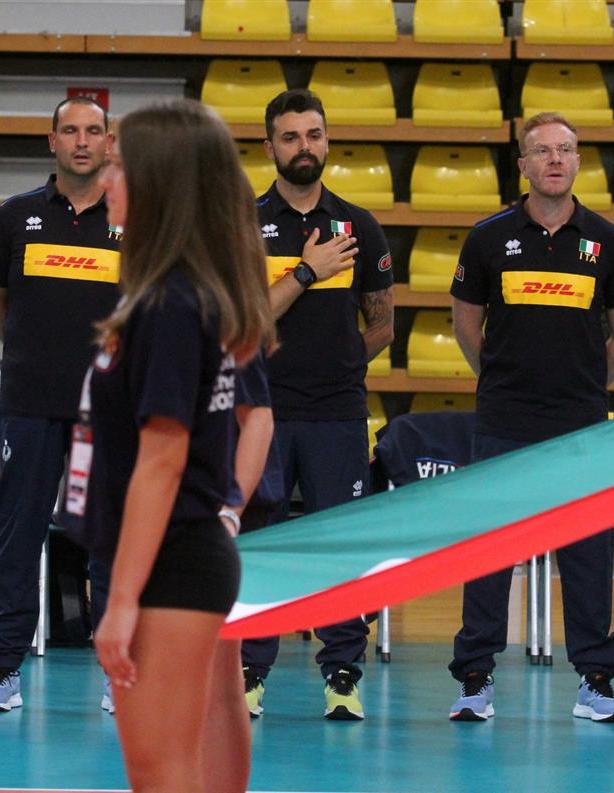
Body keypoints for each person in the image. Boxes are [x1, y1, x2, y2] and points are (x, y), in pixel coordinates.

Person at [77, 99, 274, 793]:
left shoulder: (167, 304)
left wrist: (121, 599)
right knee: (187, 759)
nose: (106, 181)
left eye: (119, 167)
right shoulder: (191, 294)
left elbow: (162, 460)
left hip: (168, 559)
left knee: (160, 774)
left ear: (160, 182)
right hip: (191, 552)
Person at [448, 112, 614, 723]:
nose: (555, 160)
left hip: (581, 424)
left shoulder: (607, 241)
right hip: (504, 420)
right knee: (488, 550)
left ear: (578, 161)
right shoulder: (487, 238)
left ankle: (595, 681)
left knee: (588, 555)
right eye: (542, 151)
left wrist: (585, 388)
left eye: (565, 150)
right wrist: (502, 379)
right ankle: (475, 678)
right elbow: (466, 324)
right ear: (523, 165)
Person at [245, 88, 394, 721]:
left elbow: (382, 325)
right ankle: (250, 673)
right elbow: (243, 320)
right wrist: (305, 273)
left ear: (327, 141)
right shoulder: (245, 224)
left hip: (337, 415)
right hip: (264, 412)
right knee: (262, 543)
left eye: (313, 134)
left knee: (340, 546)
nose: (303, 147)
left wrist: (339, 366)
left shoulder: (360, 226)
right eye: (290, 137)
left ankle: (342, 673)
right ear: (270, 147)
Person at [0, 96, 121, 713]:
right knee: (18, 535)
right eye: (70, 130)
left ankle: (119, 674)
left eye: (93, 131)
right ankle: (1, 672)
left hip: (109, 409)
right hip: (30, 403)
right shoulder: (15, 216)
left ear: (109, 143)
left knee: (109, 542)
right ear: (51, 141)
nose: (82, 141)